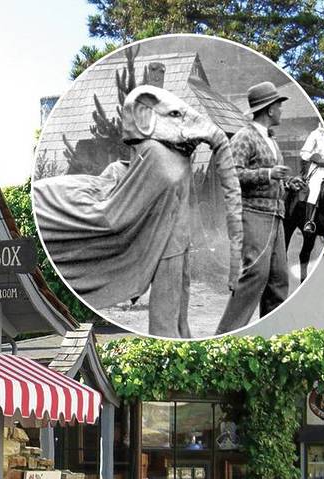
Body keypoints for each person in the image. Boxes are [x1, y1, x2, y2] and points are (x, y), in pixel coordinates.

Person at [34, 85, 241, 338]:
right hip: (168, 245)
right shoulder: (157, 155)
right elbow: (123, 213)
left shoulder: (169, 154)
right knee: (167, 320)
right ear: (145, 116)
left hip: (177, 241)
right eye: (175, 116)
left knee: (179, 318)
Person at [215, 81, 291, 334]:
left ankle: (270, 334)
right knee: (256, 273)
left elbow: (270, 177)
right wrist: (268, 173)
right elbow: (232, 174)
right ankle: (226, 334)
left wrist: (287, 183)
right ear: (270, 109)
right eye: (279, 105)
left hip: (276, 216)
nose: (281, 109)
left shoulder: (271, 140)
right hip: (254, 214)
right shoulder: (244, 137)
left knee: (279, 279)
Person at [299, 125, 324, 233]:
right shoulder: (315, 134)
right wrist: (315, 157)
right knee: (315, 189)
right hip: (320, 169)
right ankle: (309, 221)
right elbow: (304, 153)